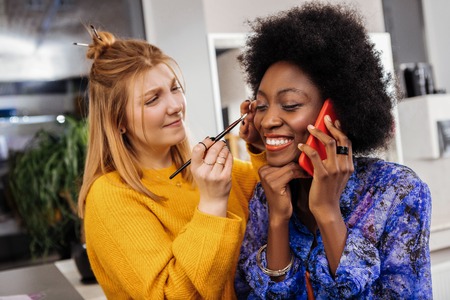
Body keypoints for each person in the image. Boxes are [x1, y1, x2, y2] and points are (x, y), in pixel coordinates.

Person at [234, 3, 432, 299]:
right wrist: (277, 219)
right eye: (261, 106)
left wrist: (327, 212)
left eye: (289, 105)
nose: (268, 120)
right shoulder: (267, 196)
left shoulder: (397, 191)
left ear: (335, 111)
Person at [77, 28, 265, 299]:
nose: (175, 105)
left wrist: (260, 148)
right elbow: (168, 294)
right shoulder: (110, 196)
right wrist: (212, 205)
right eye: (153, 99)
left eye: (175, 88)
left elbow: (279, 200)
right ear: (118, 121)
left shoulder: (208, 171)